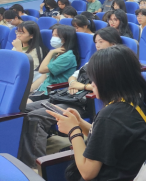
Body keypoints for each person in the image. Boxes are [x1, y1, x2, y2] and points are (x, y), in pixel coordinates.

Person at [45, 45, 146, 181]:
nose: (91, 85)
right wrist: (80, 123)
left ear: (109, 81)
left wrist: (73, 131)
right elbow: (106, 139)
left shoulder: (111, 115)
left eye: (94, 80)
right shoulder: (133, 102)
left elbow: (87, 172)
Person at [18, 28, 122, 169]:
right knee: (23, 109)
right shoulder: (94, 59)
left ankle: (34, 165)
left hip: (82, 103)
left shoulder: (115, 63)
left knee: (36, 117)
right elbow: (73, 75)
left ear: (113, 44)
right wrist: (73, 83)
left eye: (101, 42)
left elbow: (106, 87)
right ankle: (21, 153)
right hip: (68, 96)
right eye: (96, 42)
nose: (97, 45)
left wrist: (82, 86)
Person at [29, 24, 80, 102]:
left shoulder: (67, 56)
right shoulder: (58, 52)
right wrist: (30, 89)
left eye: (57, 35)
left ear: (65, 38)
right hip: (43, 89)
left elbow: (42, 70)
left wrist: (50, 53)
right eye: (53, 35)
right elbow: (44, 76)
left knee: (22, 105)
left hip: (54, 92)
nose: (53, 38)